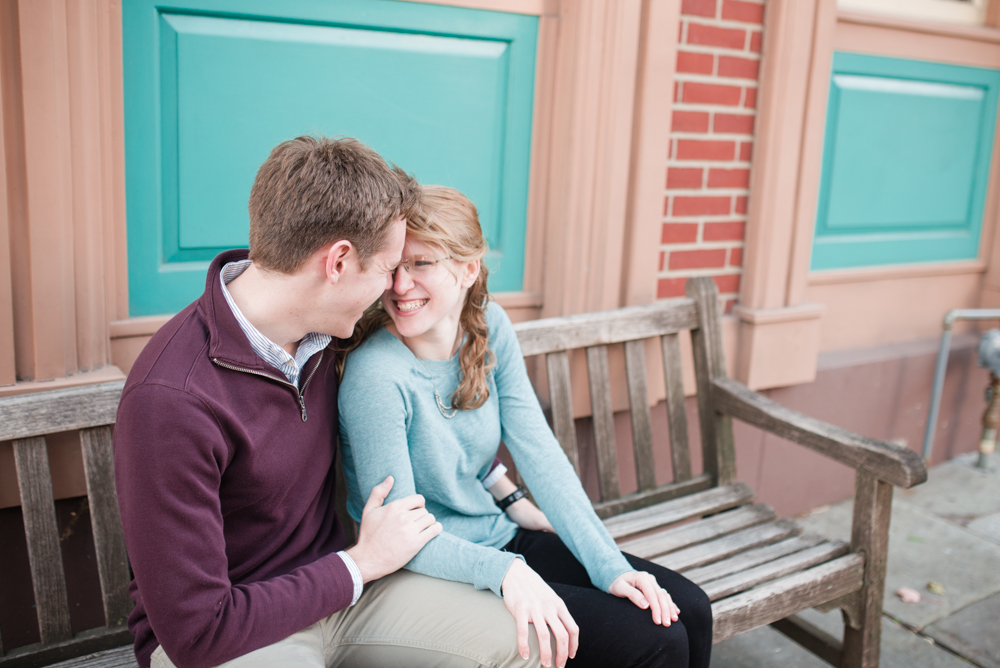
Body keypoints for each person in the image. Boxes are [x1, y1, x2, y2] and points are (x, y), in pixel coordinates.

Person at [113, 137, 548, 668]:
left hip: (349, 596)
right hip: (239, 632)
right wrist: (359, 564)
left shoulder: (329, 335)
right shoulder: (171, 400)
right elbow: (198, 633)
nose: (395, 286)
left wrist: (499, 485)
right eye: (388, 267)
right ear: (338, 262)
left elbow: (444, 371)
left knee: (527, 639)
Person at [338, 186, 714, 668]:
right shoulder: (376, 375)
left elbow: (540, 453)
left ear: (468, 269)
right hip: (431, 571)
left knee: (690, 612)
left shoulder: (490, 327)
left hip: (497, 537)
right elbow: (399, 539)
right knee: (655, 641)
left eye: (422, 264)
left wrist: (610, 567)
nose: (400, 286)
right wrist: (507, 570)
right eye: (394, 267)